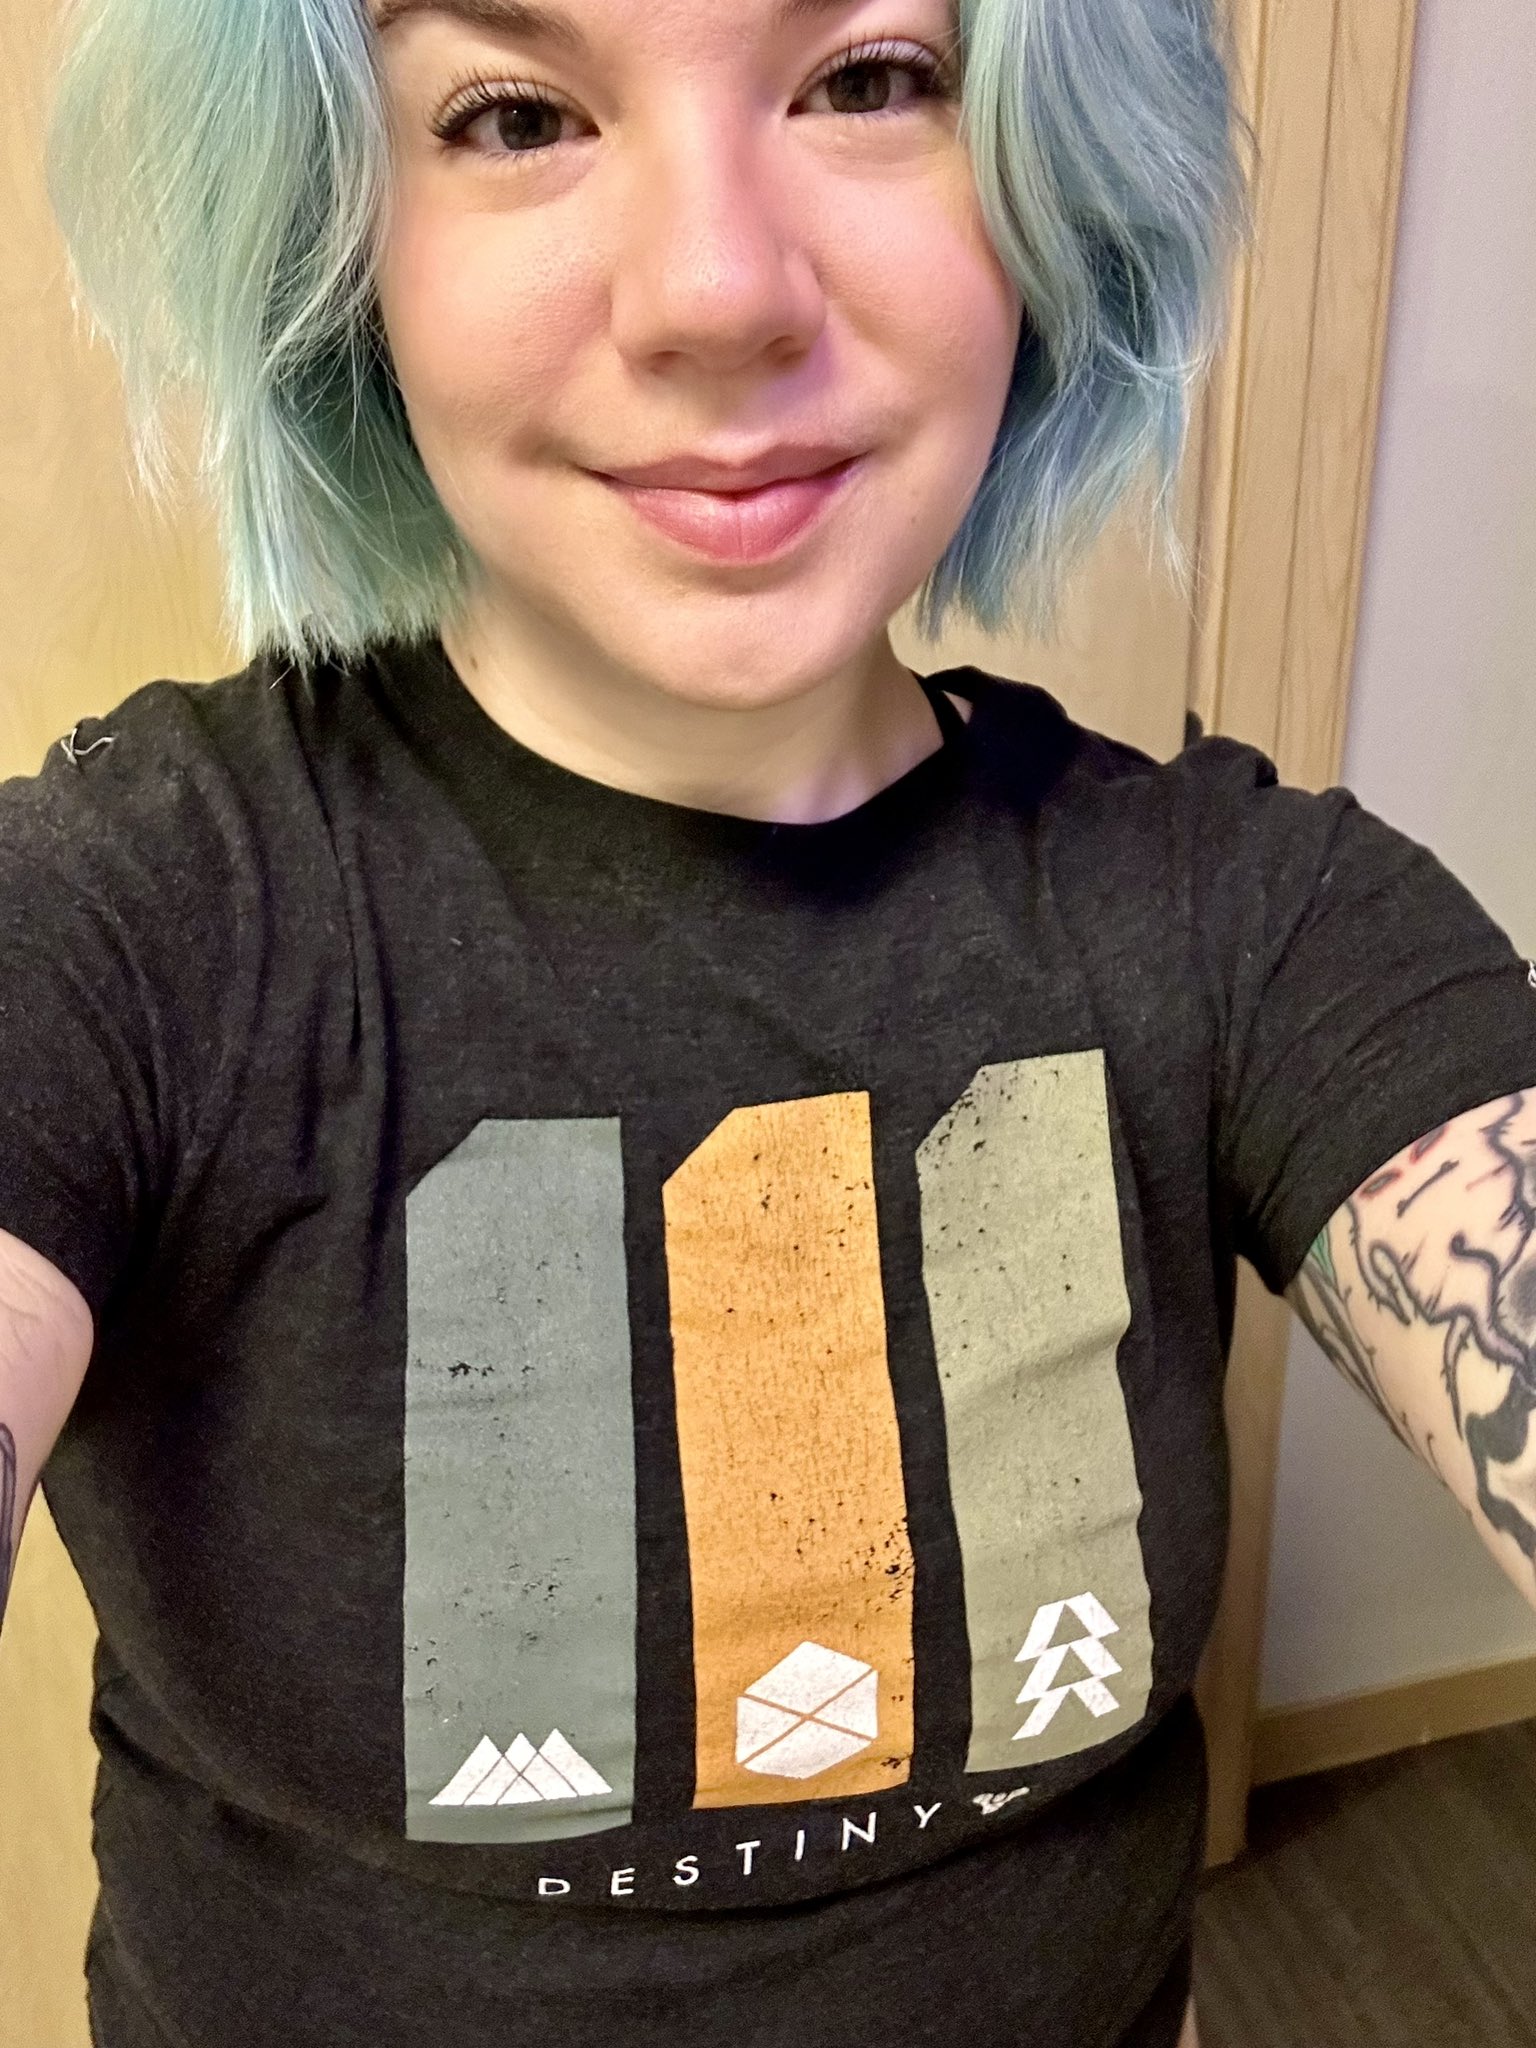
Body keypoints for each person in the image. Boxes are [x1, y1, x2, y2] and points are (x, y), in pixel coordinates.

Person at [4, 0, 1534, 2042]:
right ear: (337, 225)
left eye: (871, 79)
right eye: (515, 113)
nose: (718, 291)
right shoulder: (130, 917)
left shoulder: (1252, 917)